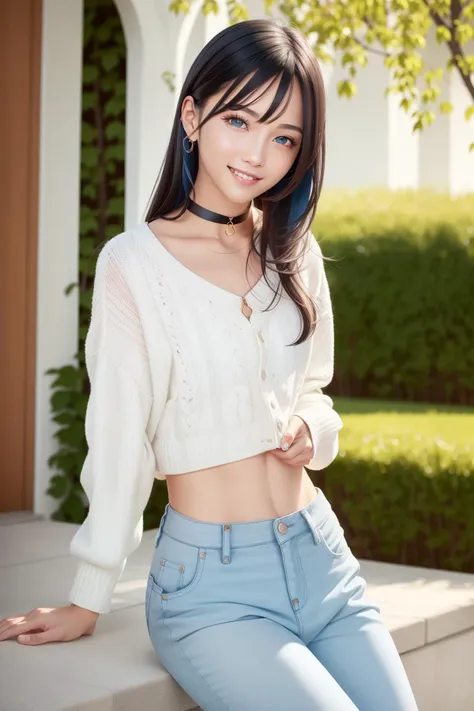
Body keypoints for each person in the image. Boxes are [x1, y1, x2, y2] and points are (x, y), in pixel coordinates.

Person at [0, 18, 419, 711]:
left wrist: (315, 431)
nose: (259, 152)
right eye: (239, 119)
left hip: (323, 561)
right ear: (192, 116)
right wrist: (90, 593)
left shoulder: (295, 251)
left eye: (284, 136)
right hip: (212, 589)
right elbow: (119, 432)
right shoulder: (133, 263)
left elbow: (316, 389)